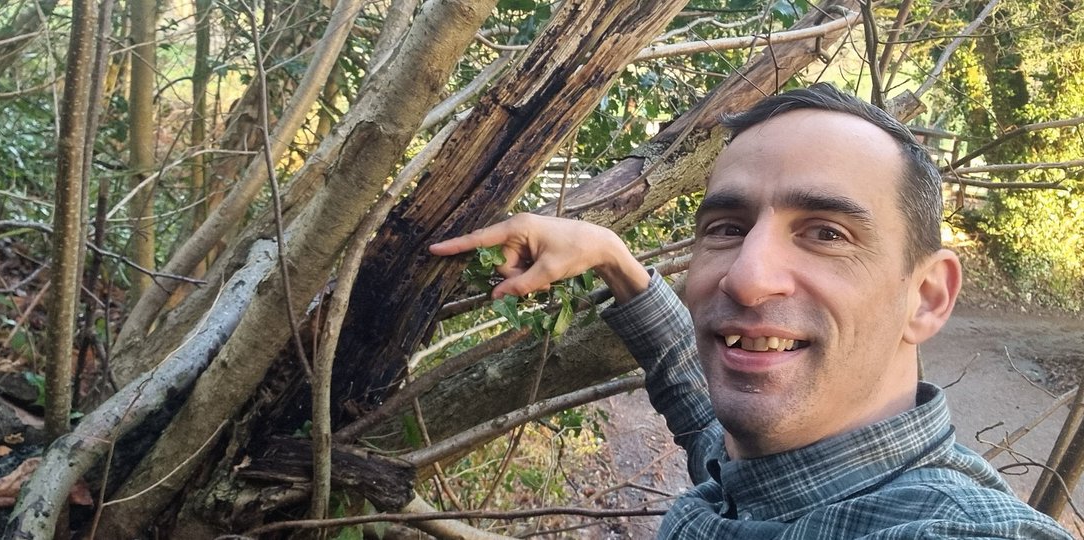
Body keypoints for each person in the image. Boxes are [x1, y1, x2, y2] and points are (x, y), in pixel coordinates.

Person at [429, 84, 1072, 538]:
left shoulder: (952, 528)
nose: (746, 277)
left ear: (927, 297)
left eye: (826, 233)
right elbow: (695, 403)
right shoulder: (756, 469)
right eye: (728, 228)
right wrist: (613, 259)